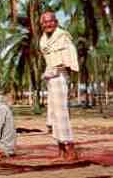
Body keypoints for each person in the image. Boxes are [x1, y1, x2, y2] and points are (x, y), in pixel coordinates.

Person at [39, 11, 79, 161]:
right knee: (53, 114)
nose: (47, 24)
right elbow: (48, 61)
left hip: (60, 77)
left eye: (50, 21)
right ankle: (60, 149)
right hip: (50, 78)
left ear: (55, 22)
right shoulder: (43, 40)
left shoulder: (63, 36)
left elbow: (70, 59)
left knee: (62, 114)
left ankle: (70, 149)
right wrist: (49, 72)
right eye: (44, 22)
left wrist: (59, 69)